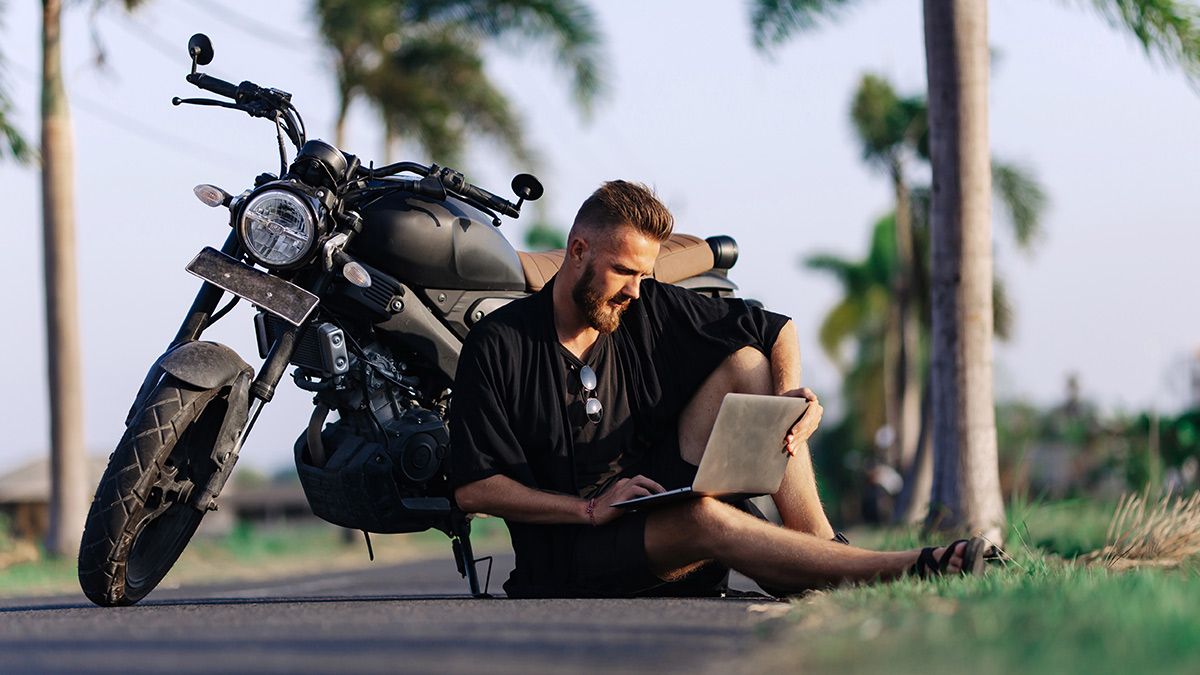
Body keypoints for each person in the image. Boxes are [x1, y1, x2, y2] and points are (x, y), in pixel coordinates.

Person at [450, 180, 985, 598]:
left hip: (652, 501)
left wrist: (793, 399)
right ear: (578, 251)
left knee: (750, 363)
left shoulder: (644, 303)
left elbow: (776, 328)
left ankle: (819, 549)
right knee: (703, 518)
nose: (635, 290)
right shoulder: (500, 342)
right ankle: (905, 567)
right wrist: (589, 509)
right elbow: (474, 488)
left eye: (643, 274)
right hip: (572, 548)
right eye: (622, 271)